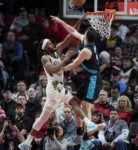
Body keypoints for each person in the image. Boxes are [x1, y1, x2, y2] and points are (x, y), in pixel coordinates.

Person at [18, 14, 105, 150]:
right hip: (54, 86)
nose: (52, 44)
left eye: (51, 42)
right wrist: (66, 59)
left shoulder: (57, 49)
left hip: (56, 88)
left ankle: (27, 143)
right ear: (43, 48)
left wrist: (79, 21)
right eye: (48, 44)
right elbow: (52, 70)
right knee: (75, 102)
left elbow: (70, 36)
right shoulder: (45, 58)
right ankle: (88, 123)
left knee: (42, 118)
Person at [51, 15, 102, 121]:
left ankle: (88, 135)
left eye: (85, 32)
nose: (83, 33)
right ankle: (80, 133)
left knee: (86, 107)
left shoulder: (86, 51)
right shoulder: (85, 40)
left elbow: (74, 65)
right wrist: (60, 21)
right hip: (88, 77)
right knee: (77, 104)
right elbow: (73, 31)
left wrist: (62, 69)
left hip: (94, 79)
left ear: (87, 36)